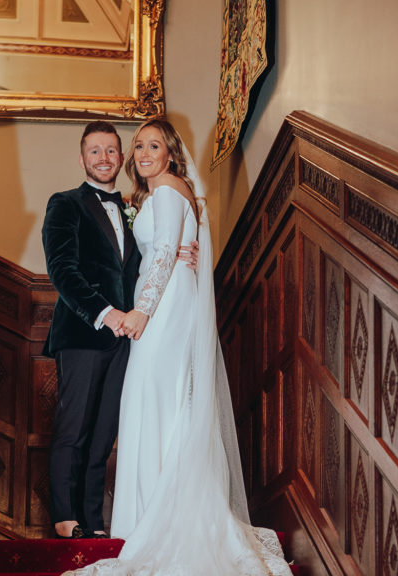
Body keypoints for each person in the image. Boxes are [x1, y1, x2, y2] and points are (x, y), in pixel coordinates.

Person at [64, 119, 293, 575]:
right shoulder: (162, 193)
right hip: (172, 300)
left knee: (155, 399)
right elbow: (169, 249)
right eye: (139, 146)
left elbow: (166, 251)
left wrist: (141, 313)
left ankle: (151, 517)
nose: (144, 153)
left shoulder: (166, 190)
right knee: (163, 401)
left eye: (154, 145)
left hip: (163, 310)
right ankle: (153, 512)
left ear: (171, 153)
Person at [42, 121, 196, 539]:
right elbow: (62, 271)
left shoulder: (137, 207)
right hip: (83, 332)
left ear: (120, 157)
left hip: (129, 339)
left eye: (111, 150)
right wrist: (106, 313)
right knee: (73, 428)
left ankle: (93, 522)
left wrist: (186, 251)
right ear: (82, 158)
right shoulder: (65, 203)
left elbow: (152, 258)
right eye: (95, 151)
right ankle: (65, 518)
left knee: (105, 432)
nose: (104, 158)